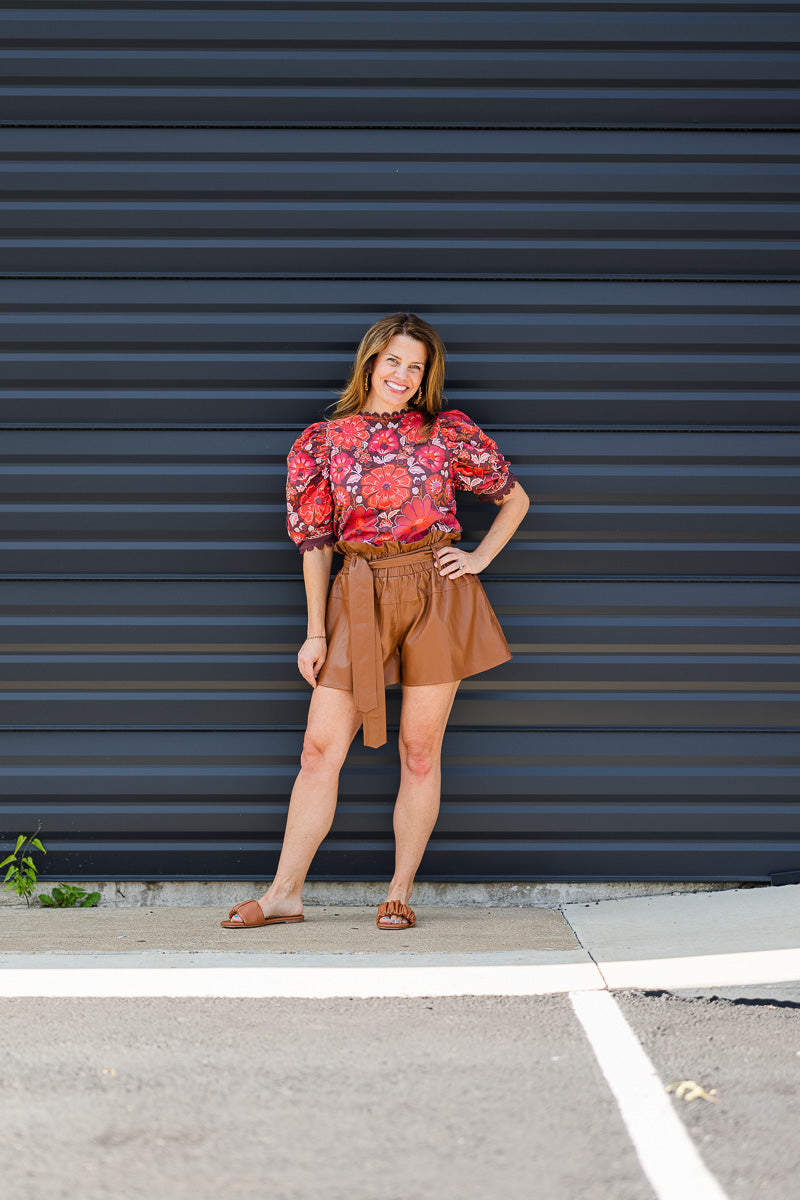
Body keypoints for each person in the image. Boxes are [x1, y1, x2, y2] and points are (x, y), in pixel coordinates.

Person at [222, 312, 530, 931]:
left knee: (420, 752)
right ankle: (284, 893)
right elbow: (314, 541)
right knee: (318, 751)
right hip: (356, 592)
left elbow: (514, 497)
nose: (404, 376)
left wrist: (477, 560)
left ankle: (398, 892)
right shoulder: (324, 441)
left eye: (416, 367)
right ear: (370, 361)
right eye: (394, 361)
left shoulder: (446, 433)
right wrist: (314, 630)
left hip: (436, 594)